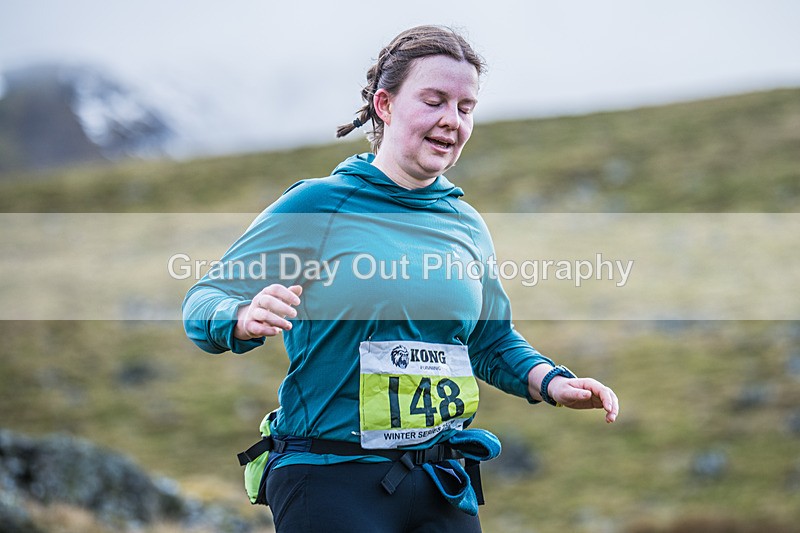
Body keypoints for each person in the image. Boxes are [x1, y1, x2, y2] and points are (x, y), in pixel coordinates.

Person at [183, 24, 619, 532]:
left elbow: (489, 339)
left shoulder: (465, 223)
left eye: (465, 107)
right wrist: (239, 316)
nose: (450, 121)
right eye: (433, 101)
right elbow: (204, 298)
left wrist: (552, 383)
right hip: (329, 477)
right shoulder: (320, 204)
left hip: (438, 480)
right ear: (385, 105)